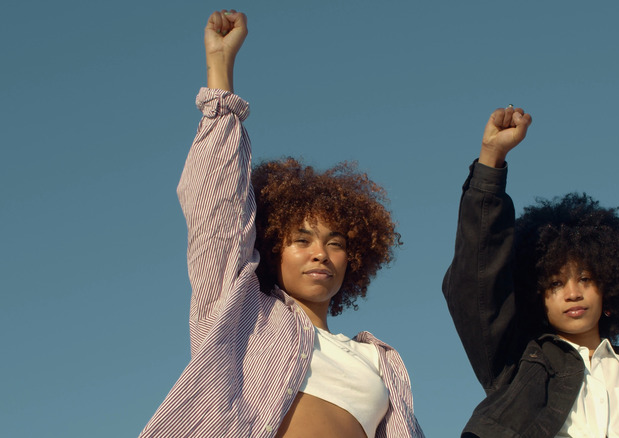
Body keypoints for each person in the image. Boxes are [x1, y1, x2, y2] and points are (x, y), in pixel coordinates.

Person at [139, 10, 424, 438]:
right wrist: (220, 75)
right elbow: (217, 215)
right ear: (274, 247)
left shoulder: (379, 361)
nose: (319, 254)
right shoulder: (244, 313)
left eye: (335, 242)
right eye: (301, 239)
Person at [442, 106, 619, 437]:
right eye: (555, 283)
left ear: (610, 286)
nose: (573, 293)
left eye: (585, 279)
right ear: (536, 295)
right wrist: (492, 157)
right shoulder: (519, 364)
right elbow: (476, 279)